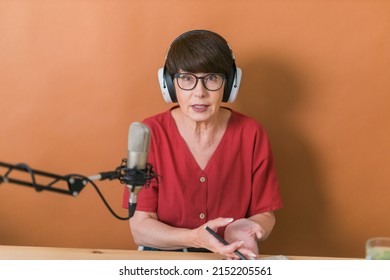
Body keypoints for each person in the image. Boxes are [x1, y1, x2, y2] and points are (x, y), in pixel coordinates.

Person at [123, 29, 283, 260]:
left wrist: (245, 228)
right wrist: (194, 237)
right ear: (169, 84)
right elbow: (140, 228)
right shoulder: (151, 133)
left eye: (212, 79)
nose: (200, 92)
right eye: (187, 78)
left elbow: (265, 216)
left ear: (229, 85)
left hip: (228, 257)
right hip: (163, 260)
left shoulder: (252, 133)